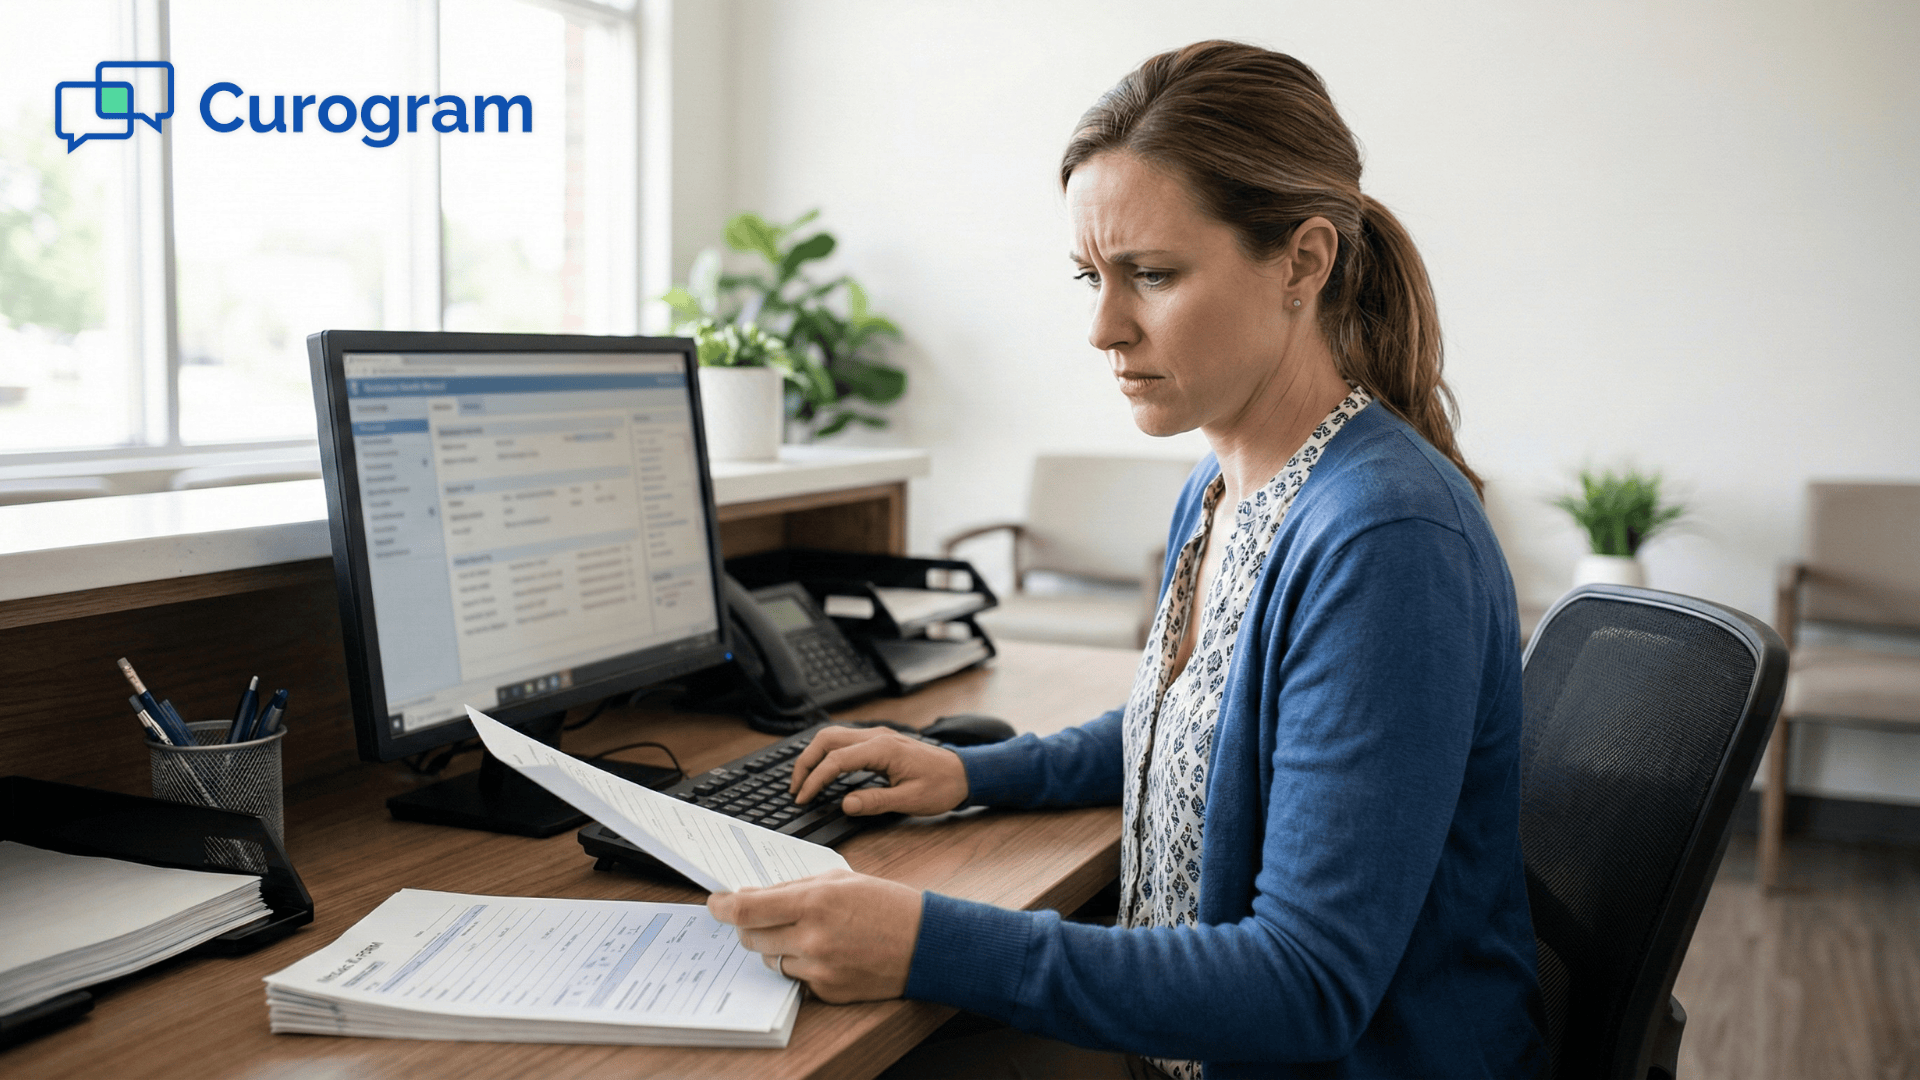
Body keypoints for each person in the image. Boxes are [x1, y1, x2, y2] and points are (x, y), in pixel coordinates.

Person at [709, 40, 1545, 1078]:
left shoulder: (1383, 540)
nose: (1105, 327)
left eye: (1151, 275)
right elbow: (1192, 725)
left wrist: (926, 940)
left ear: (1304, 262)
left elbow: (1308, 985)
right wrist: (973, 770)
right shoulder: (1220, 484)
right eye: (1090, 277)